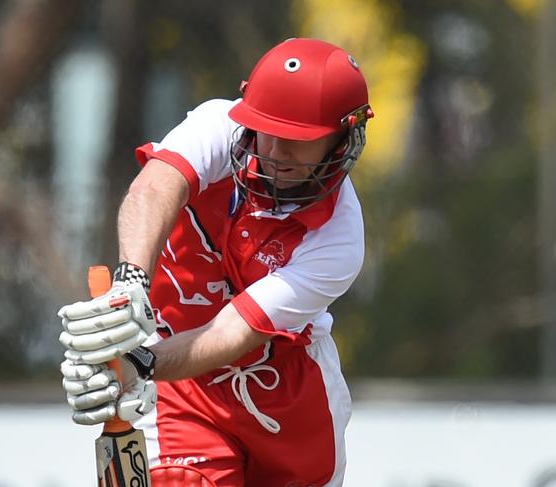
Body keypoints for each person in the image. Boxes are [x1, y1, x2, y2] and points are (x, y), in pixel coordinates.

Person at [58, 37, 374, 486]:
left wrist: (139, 365)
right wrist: (131, 284)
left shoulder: (339, 238)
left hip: (287, 398)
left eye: (298, 141)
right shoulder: (217, 125)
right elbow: (154, 188)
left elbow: (231, 332)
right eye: (268, 130)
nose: (276, 152)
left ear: (341, 140)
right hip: (181, 389)